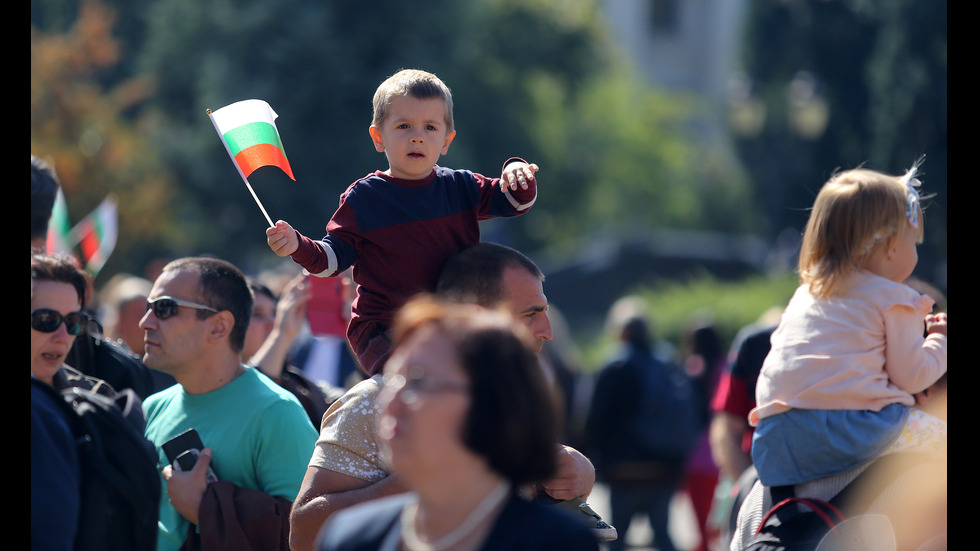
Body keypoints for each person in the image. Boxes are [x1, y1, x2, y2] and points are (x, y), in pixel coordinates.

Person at [288, 242, 610, 551]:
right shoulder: (370, 402)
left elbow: (525, 510)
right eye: (530, 314)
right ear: (476, 315)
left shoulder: (509, 398)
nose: (547, 330)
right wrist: (428, 475)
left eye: (418, 383)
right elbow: (303, 534)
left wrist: (574, 474)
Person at [266, 68, 540, 376]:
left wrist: (517, 170)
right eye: (404, 125)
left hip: (448, 327)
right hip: (385, 331)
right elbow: (329, 261)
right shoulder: (364, 198)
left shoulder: (461, 187)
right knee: (413, 387)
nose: (417, 136)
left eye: (430, 127)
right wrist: (297, 244)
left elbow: (515, 203)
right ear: (378, 137)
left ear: (446, 140)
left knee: (467, 389)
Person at [749, 164, 947, 488]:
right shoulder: (895, 297)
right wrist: (940, 341)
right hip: (851, 431)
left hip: (776, 438)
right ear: (892, 247)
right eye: (914, 242)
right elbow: (912, 375)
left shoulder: (806, 295)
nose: (915, 251)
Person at [139, 257, 318, 551]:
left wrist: (206, 508)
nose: (145, 322)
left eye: (164, 308)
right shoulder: (152, 408)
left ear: (219, 326)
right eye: (149, 308)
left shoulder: (278, 413)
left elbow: (306, 534)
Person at [586, 296, 694, 551]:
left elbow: (597, 420)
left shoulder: (615, 364)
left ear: (621, 332)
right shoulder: (667, 362)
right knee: (664, 536)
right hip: (664, 468)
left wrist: (597, 461)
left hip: (625, 471)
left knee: (615, 538)